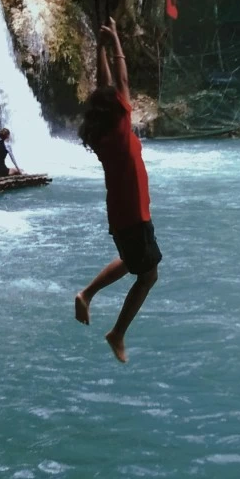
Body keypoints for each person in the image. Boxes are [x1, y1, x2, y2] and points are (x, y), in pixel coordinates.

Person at [74, 19, 162, 363]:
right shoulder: (122, 131)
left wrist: (100, 48)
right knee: (148, 275)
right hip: (134, 214)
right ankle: (118, 333)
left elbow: (106, 87)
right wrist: (117, 46)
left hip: (121, 213)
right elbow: (120, 82)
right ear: (118, 110)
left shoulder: (102, 134)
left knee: (130, 261)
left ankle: (87, 294)